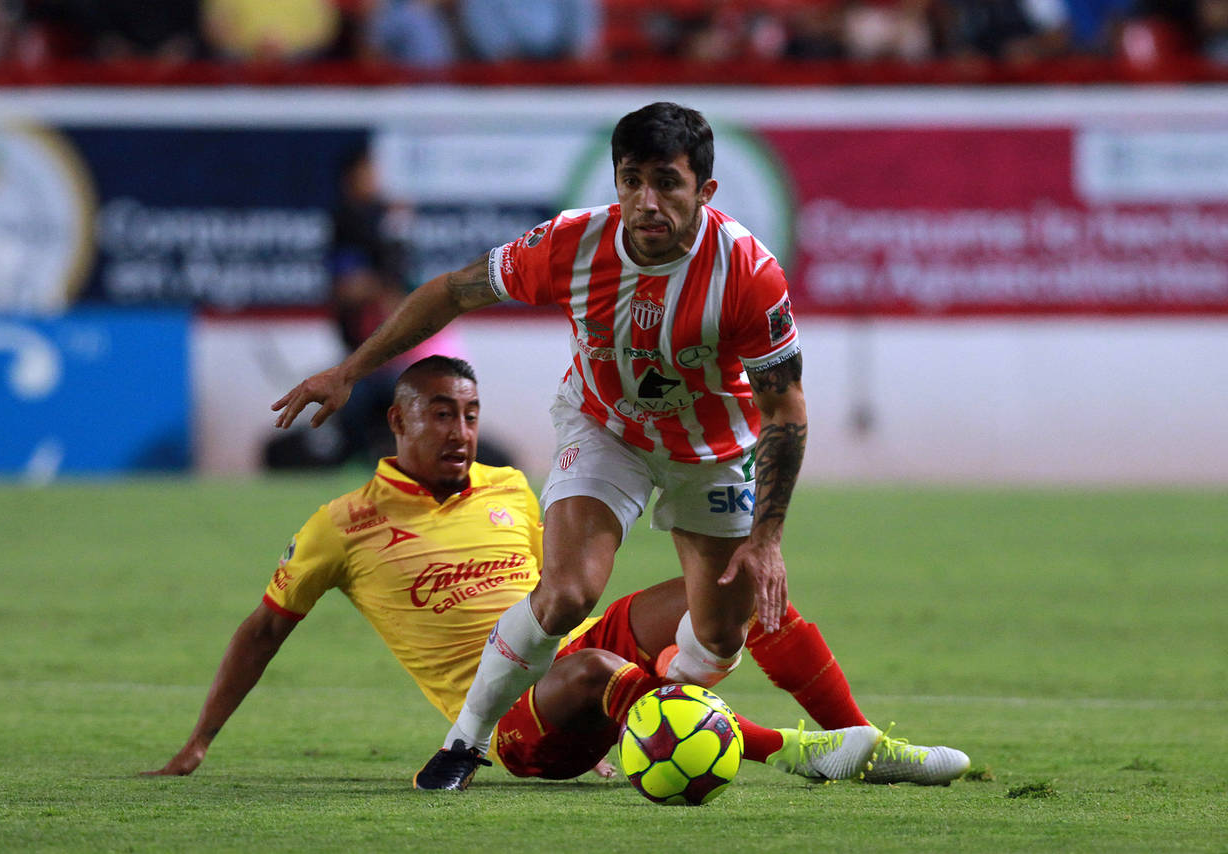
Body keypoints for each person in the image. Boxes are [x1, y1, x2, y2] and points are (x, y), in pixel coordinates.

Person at [272, 102, 859, 789]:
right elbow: (452, 292)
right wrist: (350, 370)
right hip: (606, 426)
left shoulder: (749, 272)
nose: (646, 201)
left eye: (667, 183)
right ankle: (465, 741)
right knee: (566, 594)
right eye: (631, 180)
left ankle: (660, 716)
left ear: (705, 191)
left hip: (713, 450)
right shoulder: (573, 244)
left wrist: (768, 536)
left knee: (721, 634)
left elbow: (784, 407)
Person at [153, 356, 969, 787]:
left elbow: (557, 594)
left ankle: (862, 745)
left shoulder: (508, 487)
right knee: (593, 668)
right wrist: (198, 742)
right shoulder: (342, 525)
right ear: (396, 421)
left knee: (735, 585)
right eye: (441, 414)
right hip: (519, 726)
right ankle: (792, 752)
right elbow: (263, 631)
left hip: (581, 662)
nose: (461, 431)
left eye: (470, 414)